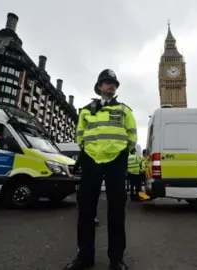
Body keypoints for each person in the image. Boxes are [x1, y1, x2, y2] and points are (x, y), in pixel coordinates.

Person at [64, 69, 137, 270]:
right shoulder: (86, 110)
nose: (111, 85)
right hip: (91, 160)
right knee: (86, 211)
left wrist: (123, 152)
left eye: (113, 82)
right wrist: (87, 151)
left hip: (116, 162)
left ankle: (116, 260)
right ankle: (84, 257)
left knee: (116, 212)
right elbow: (80, 135)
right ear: (99, 87)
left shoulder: (124, 110)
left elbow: (132, 135)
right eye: (106, 82)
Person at [72, 157, 101, 226]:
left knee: (89, 196)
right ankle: (91, 216)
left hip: (90, 176)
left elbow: (79, 161)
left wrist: (74, 171)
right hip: (93, 176)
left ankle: (88, 215)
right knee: (93, 197)